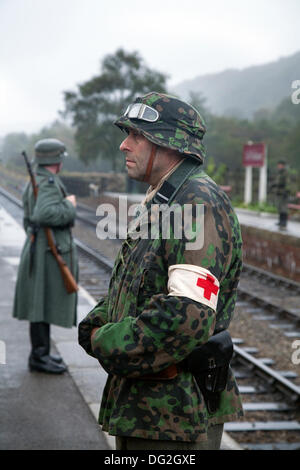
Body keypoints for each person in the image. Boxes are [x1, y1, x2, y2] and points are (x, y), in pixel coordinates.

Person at [78, 92, 243, 450]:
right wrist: (94, 323)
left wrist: (103, 341)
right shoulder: (166, 200)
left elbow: (187, 317)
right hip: (150, 413)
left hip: (175, 422)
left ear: (167, 144)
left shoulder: (196, 201)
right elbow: (133, 285)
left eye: (135, 135)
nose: (124, 145)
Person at [13, 138, 78, 374]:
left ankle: (41, 354)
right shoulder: (48, 182)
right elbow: (44, 213)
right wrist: (70, 206)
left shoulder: (38, 180)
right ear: (56, 159)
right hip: (45, 252)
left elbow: (29, 218)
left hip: (39, 249)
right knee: (40, 306)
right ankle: (38, 357)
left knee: (40, 305)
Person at [270, 160, 290, 230]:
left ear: (283, 165)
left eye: (280, 165)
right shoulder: (280, 173)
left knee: (284, 208)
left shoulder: (285, 173)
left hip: (283, 193)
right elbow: (277, 181)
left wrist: (286, 191)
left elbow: (287, 183)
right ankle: (280, 221)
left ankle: (284, 223)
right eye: (278, 165)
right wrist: (273, 185)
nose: (278, 166)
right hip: (278, 192)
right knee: (279, 207)